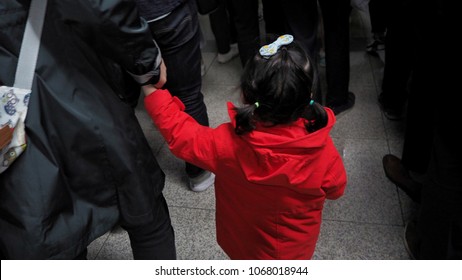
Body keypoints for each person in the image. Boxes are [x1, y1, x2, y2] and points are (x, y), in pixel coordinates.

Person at [142, 35, 347, 259]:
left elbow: (181, 134)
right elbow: (336, 190)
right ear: (309, 95)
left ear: (245, 95)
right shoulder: (323, 152)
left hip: (241, 244)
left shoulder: (225, 144)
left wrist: (150, 87)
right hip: (292, 252)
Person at [0, 0, 175, 259]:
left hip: (11, 108)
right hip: (67, 80)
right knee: (145, 210)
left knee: (53, 230)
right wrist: (147, 61)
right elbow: (101, 7)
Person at [134, 0, 215, 192]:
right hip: (167, 11)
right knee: (189, 94)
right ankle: (199, 172)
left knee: (124, 103)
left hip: (121, 18)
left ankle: (137, 177)